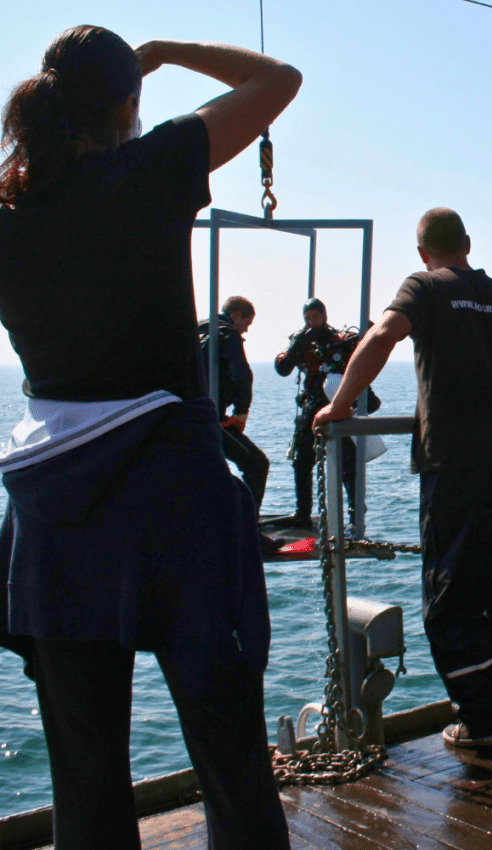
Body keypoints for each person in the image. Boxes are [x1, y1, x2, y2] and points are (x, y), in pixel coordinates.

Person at [0, 25, 300, 850]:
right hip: (174, 501)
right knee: (230, 751)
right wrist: (163, 49)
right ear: (129, 102)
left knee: (84, 770)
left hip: (53, 512)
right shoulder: (154, 166)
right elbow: (280, 78)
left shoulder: (9, 212)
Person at [314, 207, 492, 748]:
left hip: (458, 464)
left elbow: (383, 334)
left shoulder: (425, 286)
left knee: (450, 597)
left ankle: (485, 721)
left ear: (422, 253)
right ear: (467, 242)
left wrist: (340, 404)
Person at [274, 297, 380, 530]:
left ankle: (355, 518)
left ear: (324, 315)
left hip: (337, 408)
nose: (312, 322)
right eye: (308, 318)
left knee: (347, 466)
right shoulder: (300, 342)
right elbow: (282, 369)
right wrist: (297, 346)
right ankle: (302, 513)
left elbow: (360, 371)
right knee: (301, 460)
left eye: (316, 316)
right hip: (311, 410)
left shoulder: (340, 341)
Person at [198, 296, 269, 516]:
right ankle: (248, 529)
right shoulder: (228, 334)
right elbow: (242, 375)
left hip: (189, 415)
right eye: (246, 324)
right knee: (257, 464)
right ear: (237, 315)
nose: (245, 331)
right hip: (211, 418)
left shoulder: (199, 331)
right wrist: (241, 413)